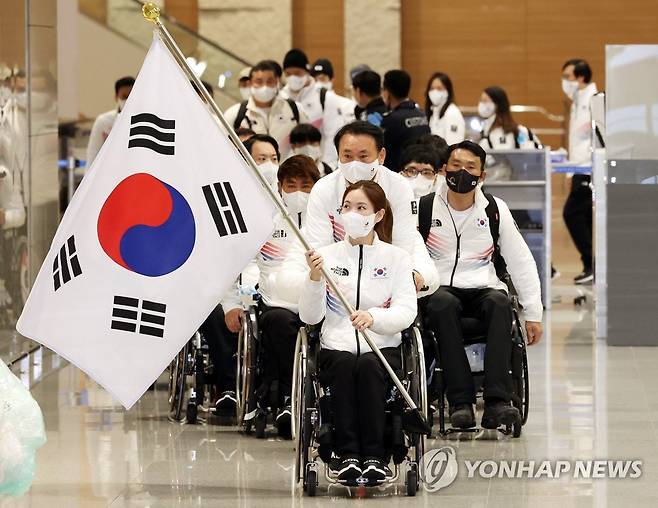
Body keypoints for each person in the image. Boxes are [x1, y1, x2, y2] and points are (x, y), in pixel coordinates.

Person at [420, 141, 543, 430]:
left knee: (500, 303)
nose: (462, 172)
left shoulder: (494, 210)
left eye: (471, 167)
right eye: (456, 166)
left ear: (482, 176)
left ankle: (497, 401)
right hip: (441, 285)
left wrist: (533, 312)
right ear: (443, 170)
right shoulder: (424, 208)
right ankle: (461, 401)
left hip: (482, 283)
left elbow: (520, 260)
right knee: (441, 304)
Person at [300, 181, 417, 482]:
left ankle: (376, 456)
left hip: (381, 346)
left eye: (361, 207)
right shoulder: (325, 257)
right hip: (336, 345)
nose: (352, 213)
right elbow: (310, 316)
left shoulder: (397, 258)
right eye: (347, 207)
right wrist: (314, 278)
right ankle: (347, 453)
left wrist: (374, 317)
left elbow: (407, 311)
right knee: (343, 365)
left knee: (366, 365)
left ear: (378, 215)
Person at [222, 155, 321, 437]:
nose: (299, 192)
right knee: (278, 322)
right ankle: (290, 398)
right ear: (279, 188)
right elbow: (235, 265)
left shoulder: (327, 223)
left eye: (306, 184)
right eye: (292, 185)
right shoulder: (263, 223)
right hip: (277, 305)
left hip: (320, 303)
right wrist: (231, 304)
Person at [290, 121, 438, 297]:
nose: (355, 164)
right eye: (347, 156)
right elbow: (321, 246)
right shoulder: (323, 189)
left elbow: (402, 244)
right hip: (340, 265)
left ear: (381, 156)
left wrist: (387, 277)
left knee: (428, 278)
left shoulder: (399, 187)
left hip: (388, 262)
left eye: (363, 156)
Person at [279, 49, 355, 167]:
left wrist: (329, 166)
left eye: (298, 73)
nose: (293, 77)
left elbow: (333, 135)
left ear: (307, 71)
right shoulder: (281, 97)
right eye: (288, 74)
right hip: (289, 168)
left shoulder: (325, 97)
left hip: (320, 166)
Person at [561, 58, 597, 284]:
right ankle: (591, 266)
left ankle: (590, 261)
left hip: (589, 168)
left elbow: (595, 138)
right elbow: (576, 140)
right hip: (578, 168)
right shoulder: (576, 101)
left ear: (581, 77)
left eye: (568, 77)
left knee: (571, 213)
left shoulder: (595, 100)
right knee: (583, 216)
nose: (565, 82)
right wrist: (569, 172)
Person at [224, 61, 308, 156]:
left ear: (277, 82)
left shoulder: (294, 109)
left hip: (289, 169)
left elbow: (308, 140)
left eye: (269, 81)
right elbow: (225, 148)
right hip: (251, 169)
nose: (264, 86)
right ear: (251, 83)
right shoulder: (235, 114)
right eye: (259, 81)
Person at [380, 70, 430, 172]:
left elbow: (384, 156)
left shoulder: (391, 120)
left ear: (387, 92)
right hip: (424, 171)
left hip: (401, 174)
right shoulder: (421, 114)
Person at [86, 76, 134, 167]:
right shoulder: (103, 122)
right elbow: (93, 154)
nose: (127, 101)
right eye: (124, 97)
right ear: (116, 97)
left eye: (131, 96)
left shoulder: (144, 121)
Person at [477, 86, 540, 150]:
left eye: (485, 100)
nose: (481, 104)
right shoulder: (485, 129)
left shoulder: (520, 132)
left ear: (497, 104)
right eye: (481, 100)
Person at [424, 72, 465, 145]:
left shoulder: (452, 113)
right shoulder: (434, 112)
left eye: (439, 88)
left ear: (447, 91)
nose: (435, 92)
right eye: (432, 88)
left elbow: (453, 145)